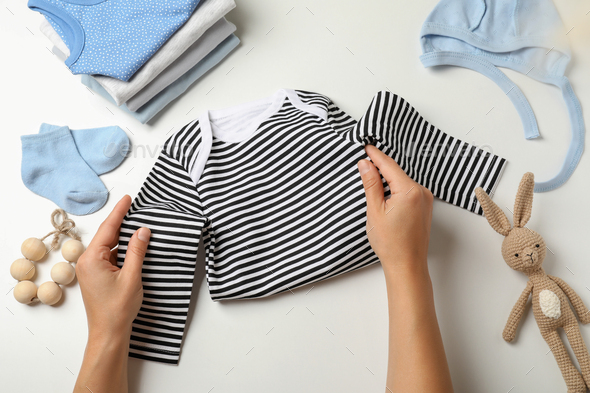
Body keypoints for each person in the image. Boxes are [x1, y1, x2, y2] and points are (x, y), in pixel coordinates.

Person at [72, 145, 453, 393]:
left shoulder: (310, 108)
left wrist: (111, 332)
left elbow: (153, 229)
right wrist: (406, 264)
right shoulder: (189, 147)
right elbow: (394, 166)